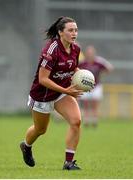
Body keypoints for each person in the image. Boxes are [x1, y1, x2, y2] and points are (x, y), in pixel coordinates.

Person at [20, 16, 84, 170]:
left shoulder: (75, 48)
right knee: (40, 129)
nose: (74, 33)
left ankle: (68, 162)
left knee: (76, 121)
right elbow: (43, 79)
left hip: (61, 93)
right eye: (70, 30)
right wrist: (66, 90)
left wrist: (82, 76)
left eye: (75, 30)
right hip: (42, 95)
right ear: (60, 32)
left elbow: (72, 67)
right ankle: (26, 146)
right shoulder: (51, 50)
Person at [78, 45, 114, 127]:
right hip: (85, 86)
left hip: (96, 86)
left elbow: (109, 68)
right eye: (88, 52)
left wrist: (102, 73)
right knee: (86, 104)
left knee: (95, 104)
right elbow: (76, 69)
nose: (90, 54)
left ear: (94, 53)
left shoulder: (99, 61)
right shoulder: (83, 62)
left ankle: (94, 121)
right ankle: (86, 121)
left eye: (91, 52)